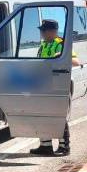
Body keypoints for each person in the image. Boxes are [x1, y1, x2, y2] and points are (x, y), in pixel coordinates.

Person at [30, 19, 77, 156]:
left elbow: (75, 61)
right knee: (42, 115)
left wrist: (61, 58)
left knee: (58, 115)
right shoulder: (43, 45)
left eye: (43, 31)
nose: (41, 33)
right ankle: (45, 146)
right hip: (43, 85)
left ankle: (64, 146)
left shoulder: (61, 45)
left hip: (58, 86)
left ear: (52, 31)